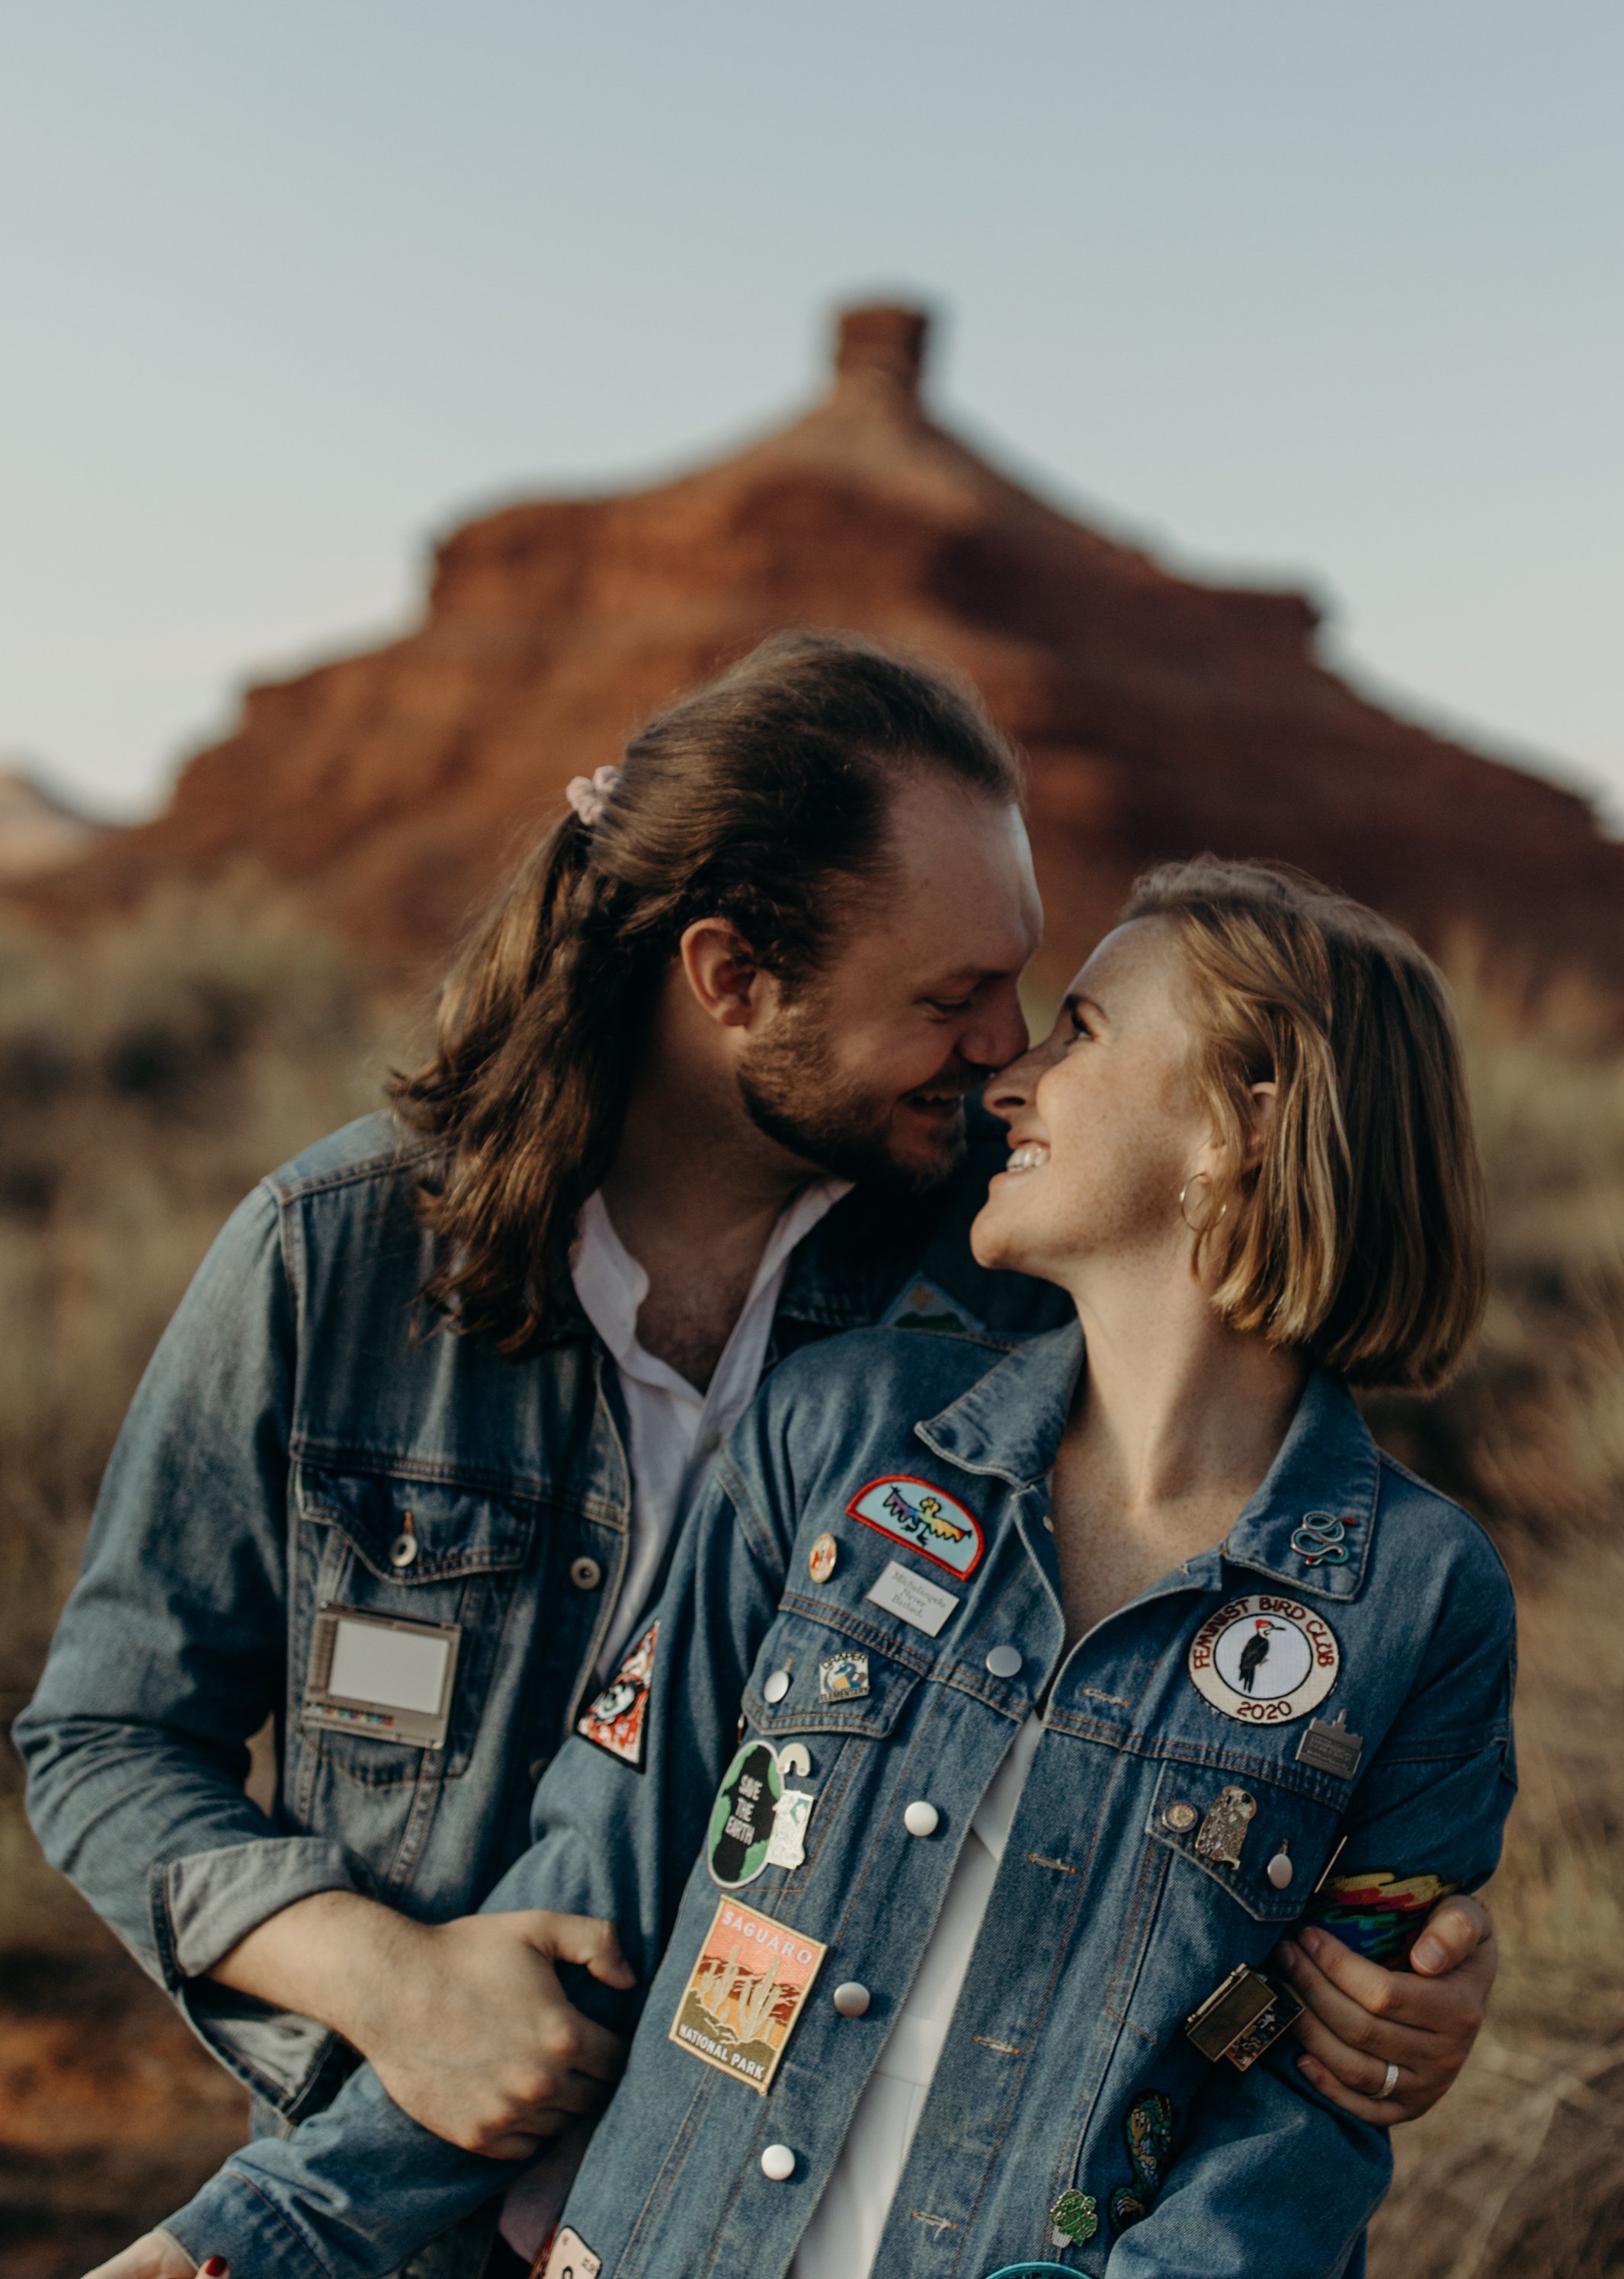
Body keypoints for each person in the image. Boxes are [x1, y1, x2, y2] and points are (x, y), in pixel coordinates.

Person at [132, 858, 1516, 2279]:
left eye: (1081, 1033)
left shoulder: (1419, 1601)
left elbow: (1311, 2119)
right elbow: (592, 1911)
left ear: (1246, 1123)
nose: (1009, 1083)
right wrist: (238, 2241)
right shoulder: (842, 1434)